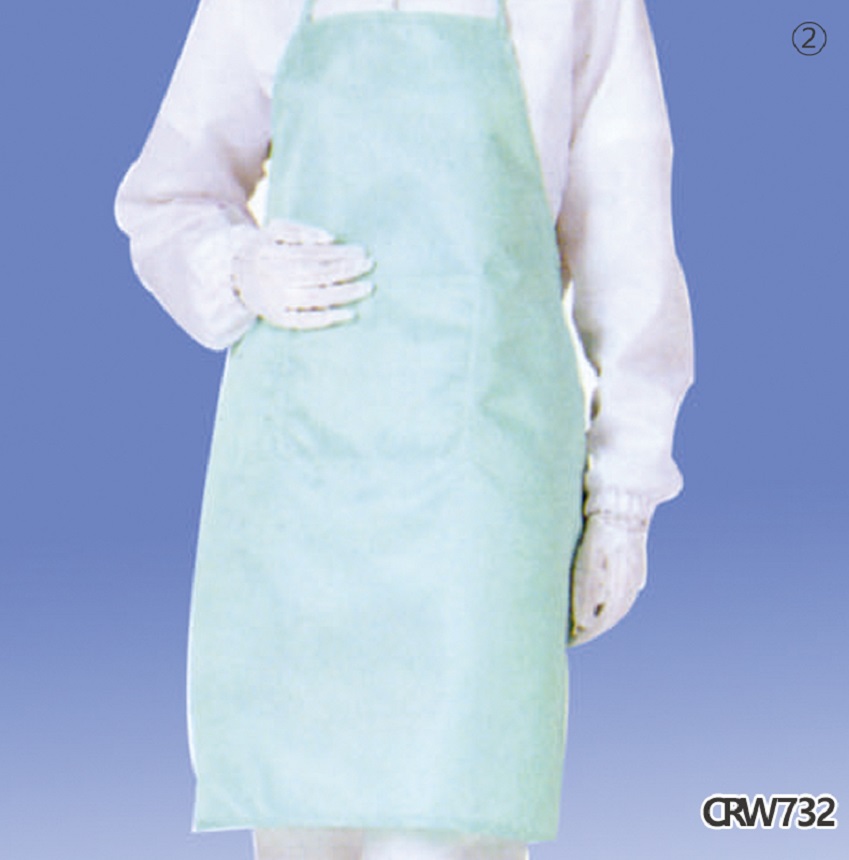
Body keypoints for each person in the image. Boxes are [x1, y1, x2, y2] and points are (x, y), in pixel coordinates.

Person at [115, 1, 694, 858]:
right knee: (302, 822)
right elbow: (169, 193)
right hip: (297, 492)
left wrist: (624, 500)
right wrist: (236, 266)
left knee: (454, 823)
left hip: (481, 485)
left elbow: (627, 233)